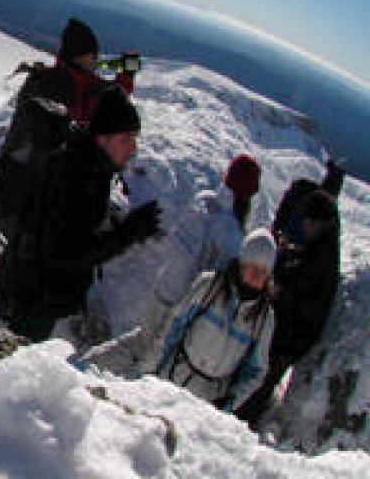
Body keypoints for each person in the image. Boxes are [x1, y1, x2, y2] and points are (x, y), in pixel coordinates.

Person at [0, 86, 162, 341]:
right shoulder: (75, 176)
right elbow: (64, 253)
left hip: (28, 290)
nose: (133, 148)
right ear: (102, 138)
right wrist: (128, 233)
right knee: (17, 373)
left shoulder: (89, 164)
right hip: (31, 304)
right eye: (125, 139)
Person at [84, 154, 262, 374]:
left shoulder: (203, 200)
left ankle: (88, 365)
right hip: (184, 305)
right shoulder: (231, 235)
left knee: (139, 341)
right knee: (154, 360)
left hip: (163, 287)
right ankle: (109, 384)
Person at [0, 18, 119, 244]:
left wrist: (118, 68)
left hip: (9, 191)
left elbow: (92, 80)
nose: (96, 62)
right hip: (33, 208)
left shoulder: (46, 77)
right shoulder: (66, 90)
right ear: (79, 57)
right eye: (92, 57)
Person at [236, 180, 342, 426]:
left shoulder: (320, 261)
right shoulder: (322, 246)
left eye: (308, 221)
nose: (304, 226)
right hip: (289, 335)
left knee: (260, 384)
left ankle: (242, 423)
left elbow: (303, 296)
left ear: (318, 223)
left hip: (290, 338)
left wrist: (280, 285)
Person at [155, 228, 277, 413]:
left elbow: (256, 371)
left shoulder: (264, 318)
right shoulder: (210, 286)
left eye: (263, 271)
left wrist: (230, 403)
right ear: (241, 262)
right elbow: (173, 326)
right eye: (252, 267)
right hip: (171, 381)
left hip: (209, 403)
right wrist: (152, 369)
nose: (256, 276)